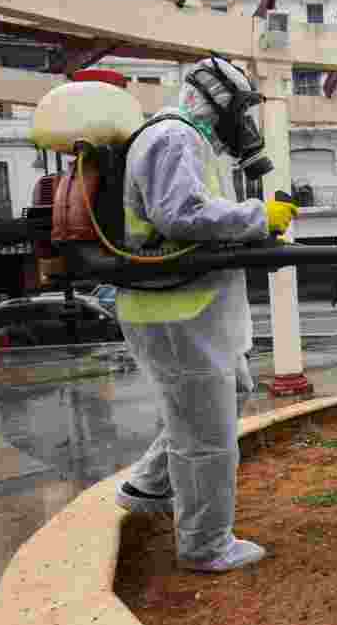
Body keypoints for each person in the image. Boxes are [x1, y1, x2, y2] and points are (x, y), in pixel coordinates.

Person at [112, 56, 300, 573]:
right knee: (206, 435)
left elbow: (196, 218)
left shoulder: (189, 143)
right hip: (177, 311)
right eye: (240, 112)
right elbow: (182, 215)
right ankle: (205, 545)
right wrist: (259, 215)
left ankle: (148, 483)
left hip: (187, 308)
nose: (245, 127)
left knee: (227, 393)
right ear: (216, 104)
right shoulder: (174, 138)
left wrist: (255, 227)